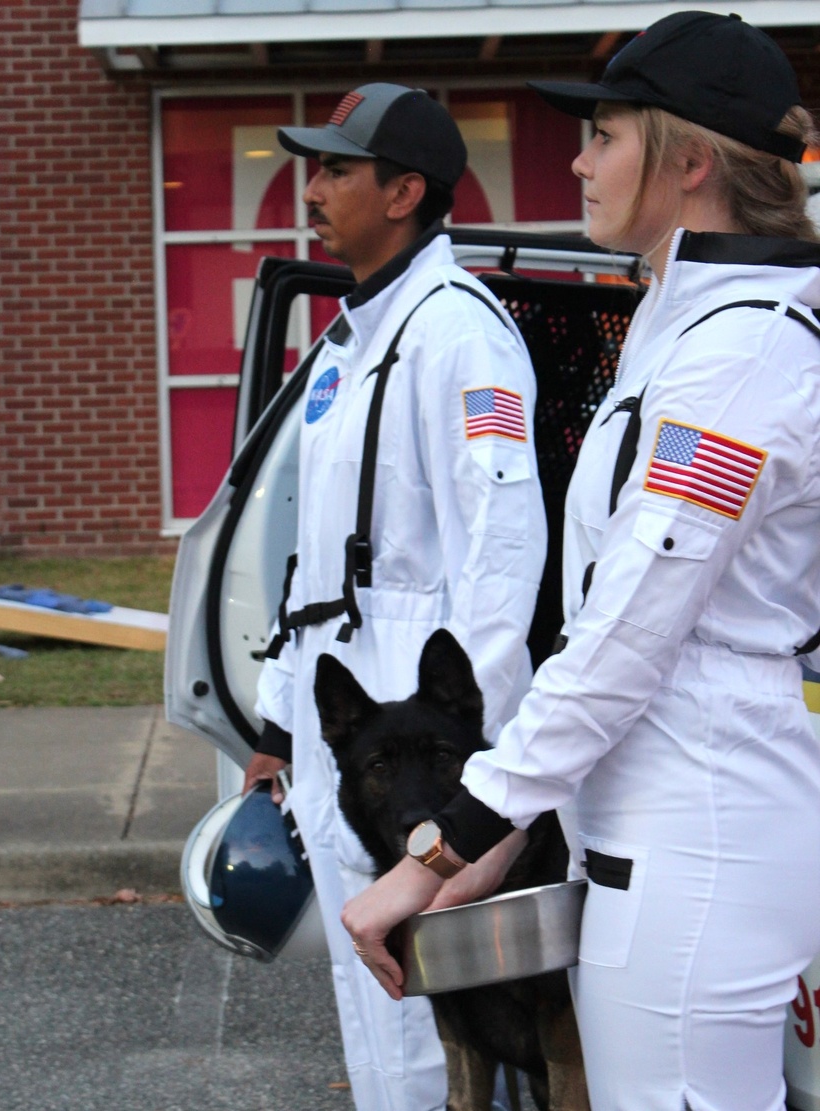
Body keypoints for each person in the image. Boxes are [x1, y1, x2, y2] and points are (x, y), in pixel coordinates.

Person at [342, 13, 820, 1111]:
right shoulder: (683, 318)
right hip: (665, 821)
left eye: (602, 135)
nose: (575, 158)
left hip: (698, 831)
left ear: (688, 160)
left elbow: (627, 634)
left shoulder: (734, 356)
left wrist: (444, 847)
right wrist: (509, 840)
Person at [242, 84, 547, 1111]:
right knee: (368, 983)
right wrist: (281, 722)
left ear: (406, 191)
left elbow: (502, 547)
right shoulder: (348, 339)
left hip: (422, 731)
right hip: (348, 722)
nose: (311, 187)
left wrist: (489, 767)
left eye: (335, 169)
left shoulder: (461, 335)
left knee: (445, 1003)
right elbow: (313, 562)